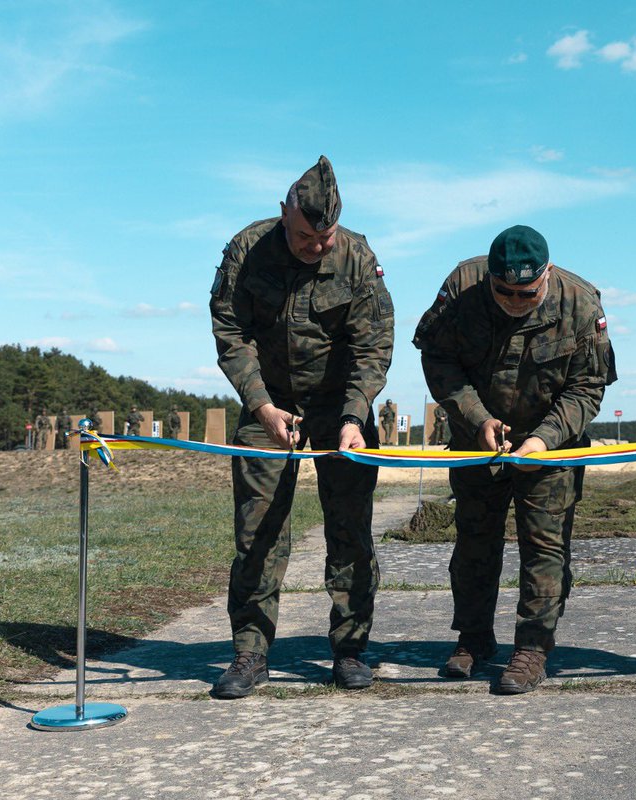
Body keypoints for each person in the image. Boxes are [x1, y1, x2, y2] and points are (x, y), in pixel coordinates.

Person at [209, 155, 395, 698]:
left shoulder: (357, 256)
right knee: (258, 531)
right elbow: (231, 332)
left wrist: (355, 416)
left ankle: (350, 650)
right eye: (304, 237)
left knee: (350, 529)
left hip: (340, 406)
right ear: (283, 213)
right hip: (270, 402)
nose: (316, 248)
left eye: (325, 238)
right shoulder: (247, 250)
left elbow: (372, 345)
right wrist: (261, 405)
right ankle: (249, 652)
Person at [413, 224, 616, 694]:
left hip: (553, 445)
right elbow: (438, 359)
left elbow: (587, 387)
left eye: (526, 293)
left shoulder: (581, 303)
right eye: (503, 291)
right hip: (477, 441)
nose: (514, 302)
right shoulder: (461, 288)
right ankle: (473, 637)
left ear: (547, 274)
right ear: (489, 277)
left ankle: (532, 648)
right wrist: (477, 418)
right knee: (474, 542)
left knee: (544, 546)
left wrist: (545, 439)